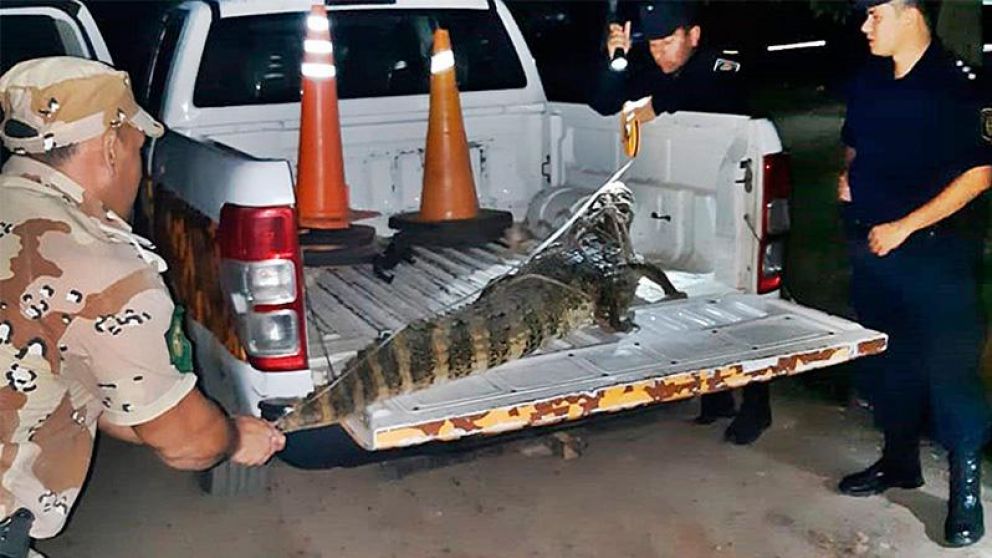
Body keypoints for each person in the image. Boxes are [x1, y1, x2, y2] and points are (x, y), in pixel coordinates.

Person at [0, 57, 285, 555]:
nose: (139, 166)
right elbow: (187, 442)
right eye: (136, 147)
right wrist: (235, 439)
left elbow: (89, 389)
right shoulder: (100, 268)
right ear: (111, 148)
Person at [836, 0, 992, 547]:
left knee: (950, 373)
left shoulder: (959, 85)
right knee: (890, 363)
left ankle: (965, 493)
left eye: (875, 15)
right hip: (875, 248)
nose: (865, 26)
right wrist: (849, 178)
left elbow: (978, 174)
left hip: (935, 252)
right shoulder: (870, 78)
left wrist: (904, 226)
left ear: (911, 15)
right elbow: (855, 141)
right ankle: (898, 462)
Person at [590, 0, 770, 445]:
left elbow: (689, 93)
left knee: (742, 298)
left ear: (693, 35)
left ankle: (758, 404)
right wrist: (616, 61)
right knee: (697, 298)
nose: (659, 53)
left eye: (668, 41)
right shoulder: (652, 70)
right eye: (651, 43)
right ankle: (716, 395)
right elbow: (602, 104)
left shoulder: (719, 65)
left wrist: (642, 110)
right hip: (685, 198)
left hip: (734, 195)